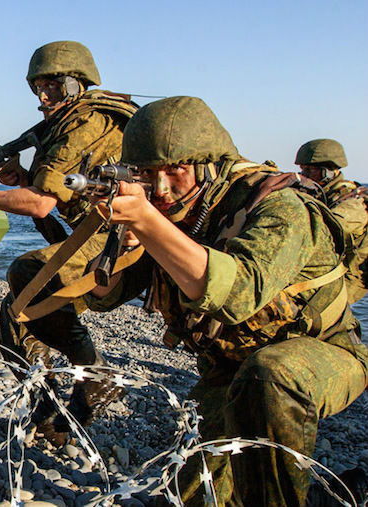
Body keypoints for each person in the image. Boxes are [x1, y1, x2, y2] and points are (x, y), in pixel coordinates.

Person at [82, 96, 368, 506]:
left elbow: (238, 294)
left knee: (270, 378)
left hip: (321, 353)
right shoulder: (172, 213)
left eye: (176, 170)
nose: (161, 189)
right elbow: (102, 298)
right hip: (231, 368)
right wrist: (125, 242)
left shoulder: (278, 207)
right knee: (189, 497)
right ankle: (337, 495)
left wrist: (147, 221)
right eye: (147, 173)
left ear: (208, 165)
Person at [0, 41, 138, 442]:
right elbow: (56, 193)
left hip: (125, 238)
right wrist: (22, 180)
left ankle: (95, 374)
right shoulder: (67, 124)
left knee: (26, 272)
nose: (43, 98)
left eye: (53, 87)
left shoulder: (87, 123)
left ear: (76, 84)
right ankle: (47, 407)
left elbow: (42, 204)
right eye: (38, 89)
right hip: (98, 234)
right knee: (15, 312)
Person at [296, 138, 368, 303]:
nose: (303, 175)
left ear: (327, 172)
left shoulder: (353, 205)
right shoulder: (321, 194)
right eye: (302, 169)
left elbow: (324, 231)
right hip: (325, 269)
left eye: (309, 170)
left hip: (345, 278)